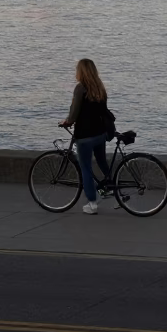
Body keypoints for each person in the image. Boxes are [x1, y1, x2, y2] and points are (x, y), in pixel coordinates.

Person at [61, 58, 113, 215]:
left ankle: (92, 203)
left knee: (86, 168)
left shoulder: (80, 88)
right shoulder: (100, 88)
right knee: (102, 161)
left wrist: (68, 122)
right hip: (100, 133)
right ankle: (109, 186)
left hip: (84, 136)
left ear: (81, 71)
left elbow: (75, 113)